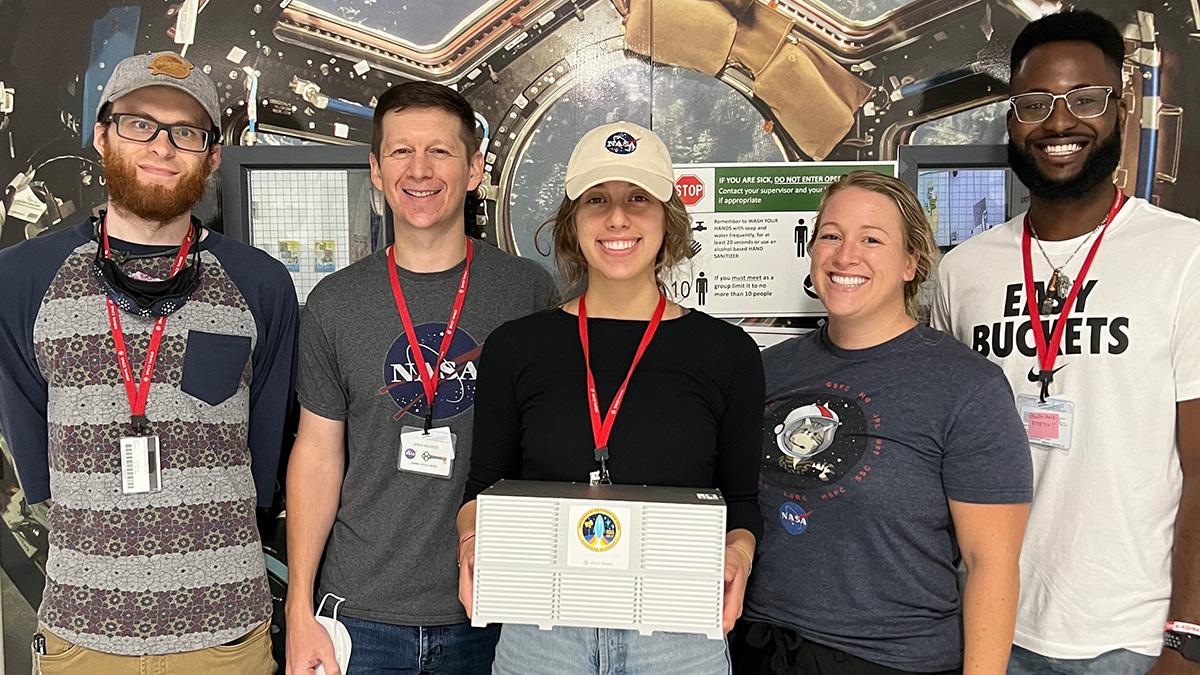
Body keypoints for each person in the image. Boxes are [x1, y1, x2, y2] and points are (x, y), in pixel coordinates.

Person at [0, 51, 297, 673]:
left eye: (185, 132)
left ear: (212, 154)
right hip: (84, 637)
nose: (162, 146)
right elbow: (37, 458)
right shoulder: (21, 279)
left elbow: (266, 454)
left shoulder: (259, 283)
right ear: (103, 134)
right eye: (139, 123)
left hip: (226, 638)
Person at [931, 11, 1200, 673]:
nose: (1058, 123)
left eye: (1085, 99)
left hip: (1128, 636)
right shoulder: (962, 271)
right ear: (1009, 120)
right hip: (987, 627)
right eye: (1034, 103)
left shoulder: (1184, 254)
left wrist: (1187, 635)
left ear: (1122, 107)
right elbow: (938, 453)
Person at [456, 121, 764, 674]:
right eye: (597, 199)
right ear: (572, 224)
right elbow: (482, 490)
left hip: (677, 635)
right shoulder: (516, 347)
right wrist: (471, 542)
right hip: (543, 633)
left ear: (668, 222)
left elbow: (740, 502)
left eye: (638, 199)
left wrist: (738, 557)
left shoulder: (727, 352)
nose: (617, 218)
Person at [284, 81, 557, 675]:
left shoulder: (529, 293)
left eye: (440, 151)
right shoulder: (335, 302)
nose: (420, 170)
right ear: (376, 171)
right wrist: (299, 607)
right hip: (360, 614)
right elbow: (317, 454)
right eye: (401, 151)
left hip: (491, 610)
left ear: (476, 168)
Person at [733, 171, 1033, 674]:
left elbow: (992, 567)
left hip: (890, 660)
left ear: (911, 262)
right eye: (831, 235)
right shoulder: (769, 369)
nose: (845, 255)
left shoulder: (967, 387)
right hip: (761, 649)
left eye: (871, 239)